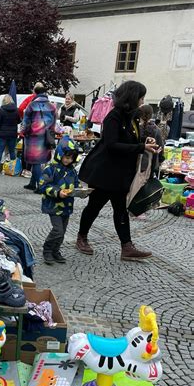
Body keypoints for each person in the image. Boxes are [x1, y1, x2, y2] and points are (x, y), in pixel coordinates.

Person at [76, 80, 160, 260]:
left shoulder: (133, 117)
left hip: (122, 173)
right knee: (94, 206)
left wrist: (145, 142)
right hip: (105, 173)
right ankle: (82, 237)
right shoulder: (113, 117)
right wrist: (140, 147)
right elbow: (112, 145)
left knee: (121, 210)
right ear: (132, 97)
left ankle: (127, 247)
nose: (142, 101)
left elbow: (131, 139)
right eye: (141, 97)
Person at [40, 137, 80, 265]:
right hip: (54, 205)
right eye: (66, 157)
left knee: (63, 231)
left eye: (71, 158)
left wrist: (81, 191)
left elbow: (76, 184)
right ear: (59, 155)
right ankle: (47, 250)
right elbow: (43, 186)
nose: (69, 160)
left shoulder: (72, 170)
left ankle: (55, 251)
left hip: (67, 206)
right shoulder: (50, 168)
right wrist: (57, 192)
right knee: (58, 230)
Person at [22, 82, 57, 193]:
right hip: (46, 137)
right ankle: (32, 183)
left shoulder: (31, 105)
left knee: (35, 161)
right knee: (38, 160)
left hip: (33, 137)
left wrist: (24, 132)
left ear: (35, 92)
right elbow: (54, 122)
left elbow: (25, 122)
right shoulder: (52, 106)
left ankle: (40, 186)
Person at [0, 95, 19, 174]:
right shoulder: (16, 110)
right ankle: (13, 169)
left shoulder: (2, 110)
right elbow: (19, 121)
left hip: (3, 133)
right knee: (12, 151)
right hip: (13, 133)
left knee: (0, 151)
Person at [139, 104, 164, 175]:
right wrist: (161, 160)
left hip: (137, 163)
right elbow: (160, 147)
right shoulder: (156, 130)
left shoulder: (136, 128)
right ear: (151, 115)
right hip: (151, 163)